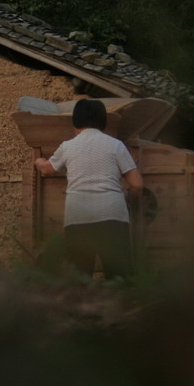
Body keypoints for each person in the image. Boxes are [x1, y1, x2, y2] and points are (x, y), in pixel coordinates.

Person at [34, 98, 143, 279]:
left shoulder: (67, 147)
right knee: (120, 279)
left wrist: (39, 161)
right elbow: (137, 184)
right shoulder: (115, 145)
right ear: (103, 122)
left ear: (75, 122)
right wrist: (132, 199)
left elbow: (47, 169)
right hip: (112, 217)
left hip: (78, 217)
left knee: (80, 279)